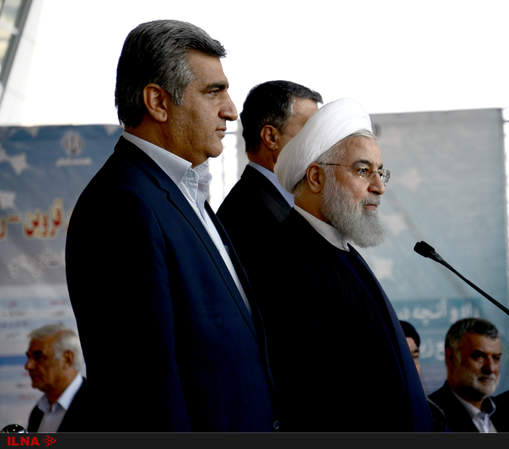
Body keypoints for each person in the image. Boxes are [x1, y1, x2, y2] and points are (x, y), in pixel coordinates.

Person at [65, 20, 275, 431]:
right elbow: (144, 388)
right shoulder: (122, 205)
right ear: (158, 102)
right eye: (214, 91)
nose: (231, 110)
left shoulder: (179, 191)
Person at [252, 98, 433, 431]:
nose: (379, 187)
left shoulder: (339, 248)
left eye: (381, 172)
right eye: (363, 171)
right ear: (316, 177)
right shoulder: (286, 260)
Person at [217, 80, 321, 272]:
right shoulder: (249, 216)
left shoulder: (275, 201)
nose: (320, 142)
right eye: (310, 130)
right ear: (271, 137)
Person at [427, 318, 501, 432]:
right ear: (451, 358)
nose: (490, 368)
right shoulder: (430, 416)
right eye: (479, 356)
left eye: (496, 358)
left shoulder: (506, 412)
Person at [25, 324, 88, 432]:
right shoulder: (38, 412)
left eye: (38, 356)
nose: (28, 366)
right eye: (29, 357)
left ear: (67, 359)